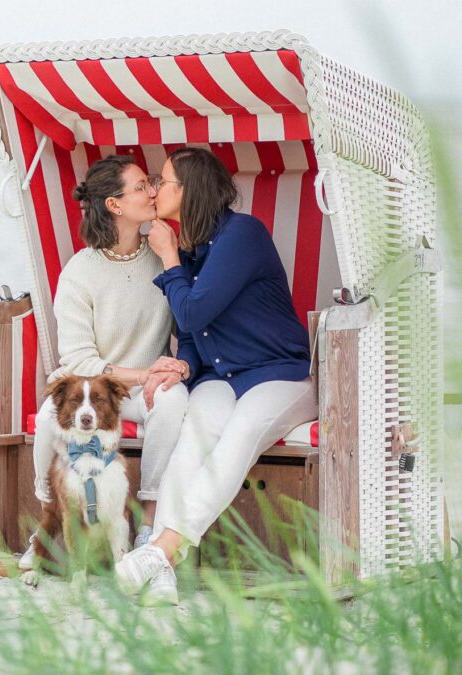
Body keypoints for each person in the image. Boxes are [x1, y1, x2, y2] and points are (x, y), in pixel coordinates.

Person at [114, 147, 318, 604]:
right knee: (195, 435)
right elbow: (194, 332)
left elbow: (194, 309)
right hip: (222, 377)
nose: (156, 188)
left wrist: (167, 256)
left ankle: (161, 550)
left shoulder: (242, 235)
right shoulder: (192, 250)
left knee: (240, 434)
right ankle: (163, 573)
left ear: (187, 190)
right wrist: (184, 362)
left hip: (279, 375)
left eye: (163, 181)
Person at [18, 154, 189, 570]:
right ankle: (49, 521)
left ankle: (148, 522)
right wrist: (144, 371)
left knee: (172, 400)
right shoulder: (80, 271)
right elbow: (78, 358)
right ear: (114, 205)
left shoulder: (164, 253)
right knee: (46, 419)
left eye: (152, 183)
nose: (152, 191)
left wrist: (171, 368)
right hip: (93, 391)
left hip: (143, 389)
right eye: (141, 187)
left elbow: (188, 319)